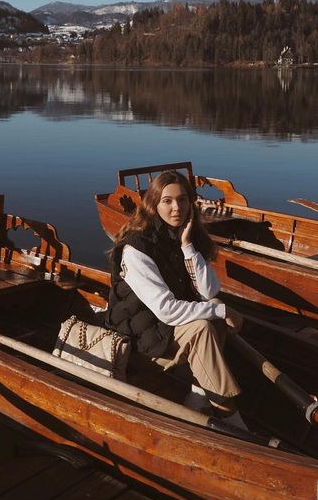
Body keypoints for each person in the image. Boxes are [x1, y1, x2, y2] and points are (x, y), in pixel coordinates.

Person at [105, 170, 246, 427]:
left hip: (164, 329)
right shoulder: (137, 248)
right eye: (167, 201)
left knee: (211, 310)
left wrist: (188, 247)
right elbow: (166, 310)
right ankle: (230, 416)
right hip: (138, 341)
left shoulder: (180, 236)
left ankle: (198, 393)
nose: (176, 208)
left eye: (182, 200)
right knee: (204, 325)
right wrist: (223, 311)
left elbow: (209, 291)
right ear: (153, 204)